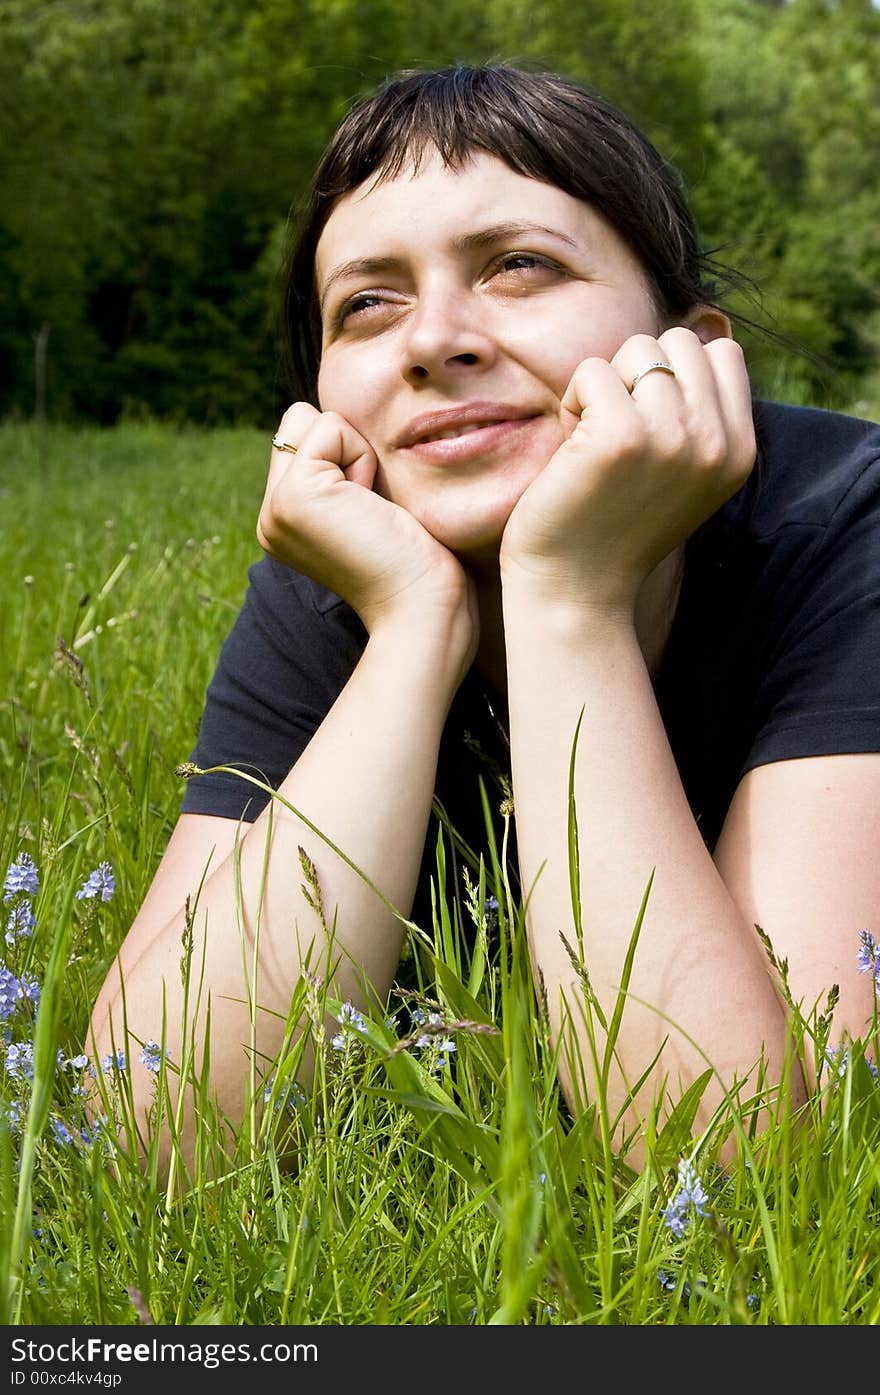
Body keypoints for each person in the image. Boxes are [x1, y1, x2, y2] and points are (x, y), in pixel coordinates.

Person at [87, 63, 880, 1173]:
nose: (432, 340)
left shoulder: (846, 526)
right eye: (368, 303)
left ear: (697, 352)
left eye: (518, 266)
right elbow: (157, 1130)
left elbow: (744, 1160)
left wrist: (568, 597)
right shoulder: (346, 566)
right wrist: (410, 628)